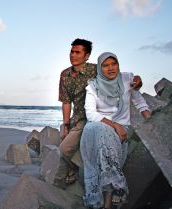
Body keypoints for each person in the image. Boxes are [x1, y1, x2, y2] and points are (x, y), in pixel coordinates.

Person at [54, 38, 143, 189]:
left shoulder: (97, 69)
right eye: (72, 51)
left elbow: (119, 77)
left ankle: (83, 172)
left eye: (77, 52)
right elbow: (66, 101)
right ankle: (77, 168)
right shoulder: (65, 75)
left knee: (64, 149)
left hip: (95, 117)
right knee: (64, 141)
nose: (73, 55)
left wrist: (137, 79)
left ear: (87, 55)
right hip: (79, 118)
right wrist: (66, 123)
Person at [80, 52, 150, 209]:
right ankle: (116, 187)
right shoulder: (92, 87)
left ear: (118, 64)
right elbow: (91, 114)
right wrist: (115, 125)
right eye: (105, 65)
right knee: (99, 129)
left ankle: (109, 200)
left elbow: (140, 103)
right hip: (96, 128)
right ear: (100, 68)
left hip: (118, 132)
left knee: (105, 143)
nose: (110, 68)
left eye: (114, 64)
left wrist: (152, 122)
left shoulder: (127, 79)